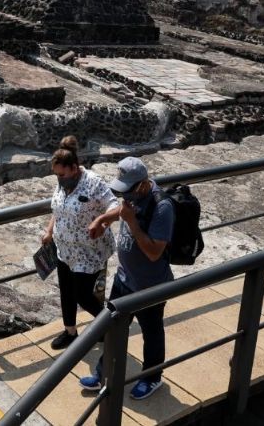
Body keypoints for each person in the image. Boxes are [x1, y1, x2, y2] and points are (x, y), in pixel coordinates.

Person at [79, 156, 174, 400]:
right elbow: (121, 212)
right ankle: (103, 373)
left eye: (128, 191)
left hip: (150, 287)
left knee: (151, 333)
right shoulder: (132, 196)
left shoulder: (161, 207)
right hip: (124, 280)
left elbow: (154, 252)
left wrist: (132, 222)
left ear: (142, 185)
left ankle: (152, 378)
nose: (125, 197)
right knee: (112, 329)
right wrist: (102, 220)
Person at [41, 136, 118, 350]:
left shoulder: (93, 183)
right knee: (66, 291)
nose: (59, 179)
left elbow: (115, 207)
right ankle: (70, 332)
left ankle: (110, 324)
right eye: (56, 175)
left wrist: (100, 221)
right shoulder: (63, 183)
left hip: (88, 251)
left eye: (62, 174)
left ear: (74, 168)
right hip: (64, 248)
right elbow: (58, 209)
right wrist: (49, 231)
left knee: (83, 295)